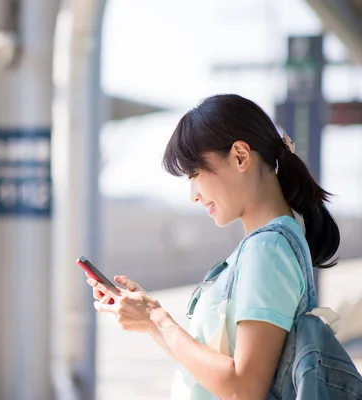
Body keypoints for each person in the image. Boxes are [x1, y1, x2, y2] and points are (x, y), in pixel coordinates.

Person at [87, 93, 340, 399]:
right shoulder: (267, 244)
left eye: (194, 173)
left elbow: (244, 388)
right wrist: (150, 319)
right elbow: (213, 371)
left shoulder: (268, 249)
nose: (193, 194)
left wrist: (158, 320)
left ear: (240, 156)